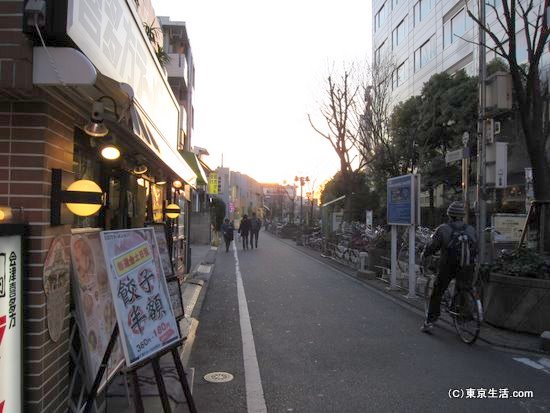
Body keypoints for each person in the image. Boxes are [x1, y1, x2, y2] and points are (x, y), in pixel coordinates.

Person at [420, 201, 477, 333]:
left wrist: (424, 253)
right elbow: (476, 248)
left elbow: (432, 246)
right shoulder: (471, 229)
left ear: (449, 215)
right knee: (463, 288)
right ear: (462, 216)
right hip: (467, 265)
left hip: (448, 265)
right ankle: (463, 316)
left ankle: (430, 321)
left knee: (437, 291)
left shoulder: (443, 229)